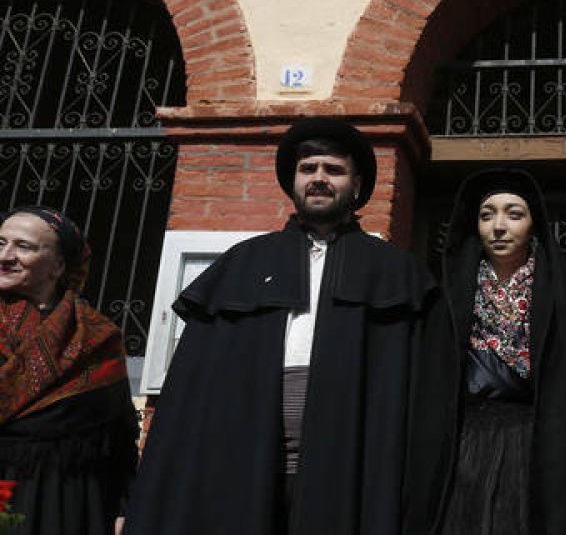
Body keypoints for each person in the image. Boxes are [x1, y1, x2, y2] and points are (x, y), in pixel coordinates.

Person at [124, 118, 437, 535]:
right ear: (292, 182)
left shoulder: (395, 271)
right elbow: (191, 392)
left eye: (333, 170)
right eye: (308, 169)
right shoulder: (244, 263)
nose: (319, 179)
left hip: (350, 459)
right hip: (244, 456)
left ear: (357, 185)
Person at [411, 169, 566, 535]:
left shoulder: (560, 302)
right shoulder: (449, 300)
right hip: (464, 450)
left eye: (514, 214)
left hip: (534, 449)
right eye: (487, 215)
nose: (499, 226)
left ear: (534, 224)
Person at [0, 206, 139, 535]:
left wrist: (125, 505)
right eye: (0, 242)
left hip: (64, 500)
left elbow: (119, 433)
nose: (5, 255)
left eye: (24, 246)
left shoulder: (96, 338)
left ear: (60, 266)